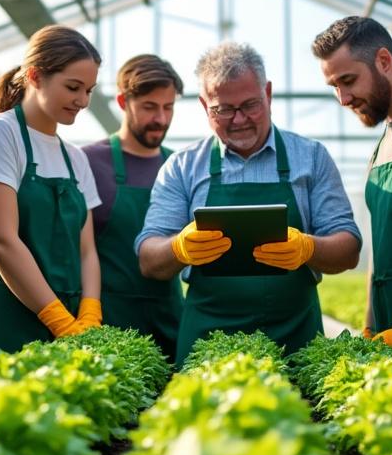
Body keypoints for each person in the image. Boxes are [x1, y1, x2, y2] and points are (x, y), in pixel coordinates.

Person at [136, 42, 362, 363]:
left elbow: (349, 248)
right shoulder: (183, 166)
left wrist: (308, 248)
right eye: (223, 109)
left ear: (267, 93)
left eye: (250, 104)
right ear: (204, 105)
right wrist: (178, 248)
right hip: (207, 340)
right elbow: (148, 258)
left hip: (296, 339)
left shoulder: (310, 158)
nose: (239, 119)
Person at [0, 26, 104, 351]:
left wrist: (90, 310)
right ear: (36, 76)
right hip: (8, 317)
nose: (82, 100)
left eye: (89, 90)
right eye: (73, 87)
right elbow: (0, 241)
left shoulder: (76, 159)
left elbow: (87, 250)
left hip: (70, 319)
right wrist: (56, 317)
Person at [313, 16, 392, 346]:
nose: (343, 98)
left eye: (348, 81)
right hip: (387, 326)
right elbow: (378, 254)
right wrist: (369, 324)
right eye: (334, 86)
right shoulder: (383, 143)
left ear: (383, 61)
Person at [81, 54, 185, 360]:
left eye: (168, 108)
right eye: (150, 107)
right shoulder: (88, 162)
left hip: (170, 320)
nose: (161, 119)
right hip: (109, 322)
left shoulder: (179, 165)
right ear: (124, 102)